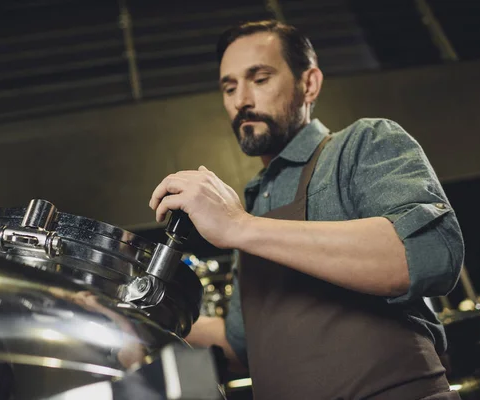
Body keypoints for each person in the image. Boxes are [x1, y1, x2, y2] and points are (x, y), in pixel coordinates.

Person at [149, 20, 464, 400]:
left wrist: (239, 226)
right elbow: (240, 346)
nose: (241, 100)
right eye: (229, 87)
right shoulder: (250, 204)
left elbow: (429, 254)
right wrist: (137, 315)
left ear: (309, 84)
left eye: (259, 79)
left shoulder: (362, 143)